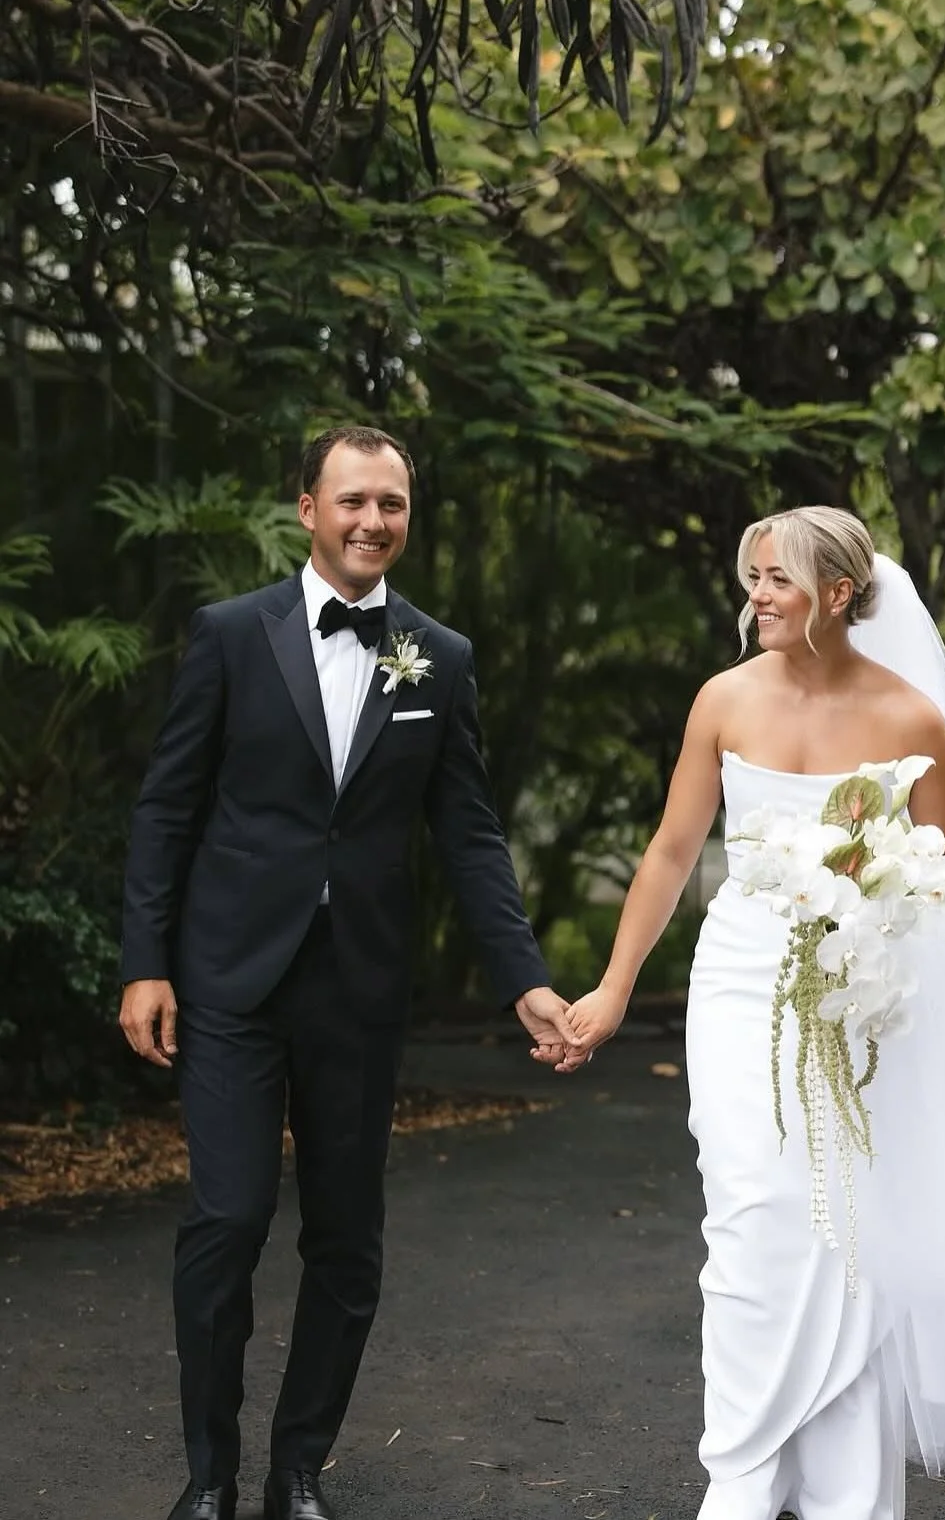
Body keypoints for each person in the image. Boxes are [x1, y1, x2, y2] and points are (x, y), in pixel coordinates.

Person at [117, 426, 586, 1520]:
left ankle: (296, 1472)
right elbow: (168, 807)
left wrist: (523, 978)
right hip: (231, 978)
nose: (374, 521)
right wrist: (146, 963)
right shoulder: (232, 635)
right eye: (353, 502)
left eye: (393, 504)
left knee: (344, 1239)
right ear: (306, 510)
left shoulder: (440, 656)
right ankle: (208, 1476)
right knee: (227, 1222)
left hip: (359, 991)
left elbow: (469, 835)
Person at [567, 506, 945, 1520]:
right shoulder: (724, 700)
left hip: (868, 996)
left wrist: (881, 911)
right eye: (753, 578)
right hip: (741, 983)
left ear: (834, 593)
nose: (757, 596)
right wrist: (610, 989)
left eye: (776, 578)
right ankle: (741, 1468)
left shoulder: (913, 719)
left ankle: (846, 1492)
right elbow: (670, 853)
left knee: (848, 1232)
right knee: (752, 1215)